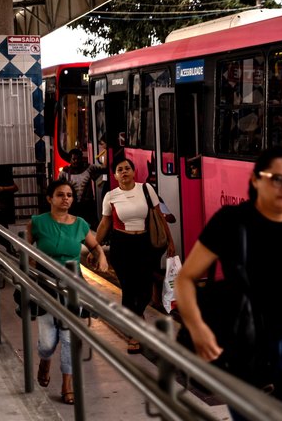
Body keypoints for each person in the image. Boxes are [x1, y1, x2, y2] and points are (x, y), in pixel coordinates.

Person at [175, 146, 282, 418]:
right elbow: (185, 279)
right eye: (277, 179)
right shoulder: (230, 222)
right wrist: (197, 329)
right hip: (246, 347)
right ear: (255, 180)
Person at [25, 179, 108, 405]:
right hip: (44, 283)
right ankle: (45, 360)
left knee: (70, 338)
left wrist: (102, 256)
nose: (66, 199)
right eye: (60, 195)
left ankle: (67, 384)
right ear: (49, 198)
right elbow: (24, 250)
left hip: (72, 285)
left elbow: (94, 246)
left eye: (69, 195)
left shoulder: (80, 224)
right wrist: (29, 263)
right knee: (47, 341)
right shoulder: (37, 223)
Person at [94, 158, 175, 354]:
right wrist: (95, 247)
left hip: (146, 244)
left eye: (127, 168)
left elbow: (159, 217)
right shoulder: (111, 196)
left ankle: (136, 320)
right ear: (114, 176)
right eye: (119, 169)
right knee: (129, 290)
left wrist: (170, 242)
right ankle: (133, 335)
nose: (124, 172)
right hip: (122, 246)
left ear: (133, 171)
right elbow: (105, 224)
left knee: (145, 290)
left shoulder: (146, 189)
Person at [58, 148, 106, 229]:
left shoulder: (89, 168)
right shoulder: (64, 172)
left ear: (81, 159)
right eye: (74, 159)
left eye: (78, 159)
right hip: (72, 205)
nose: (76, 161)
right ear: (70, 159)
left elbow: (103, 169)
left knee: (92, 226)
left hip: (88, 204)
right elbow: (58, 187)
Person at [0, 164, 19, 254]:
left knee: (3, 230)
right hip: (0, 207)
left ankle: (9, 247)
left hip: (0, 208)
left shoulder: (1, 174)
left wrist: (2, 189)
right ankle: (9, 247)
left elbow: (15, 187)